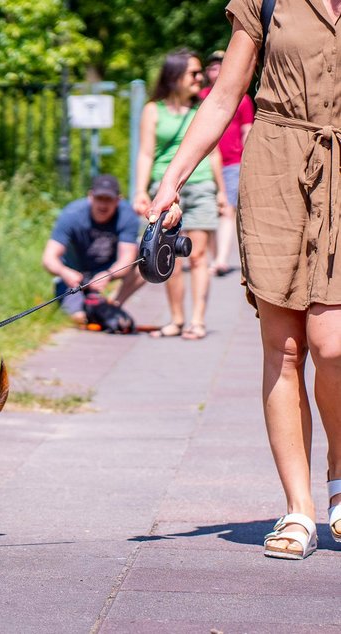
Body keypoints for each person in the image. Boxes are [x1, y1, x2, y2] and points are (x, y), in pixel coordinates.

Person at [148, 0, 341, 560]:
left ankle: (338, 471)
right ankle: (299, 508)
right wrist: (172, 179)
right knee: (284, 348)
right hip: (277, 166)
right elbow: (225, 97)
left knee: (333, 347)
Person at [133, 49, 231, 340]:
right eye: (194, 72)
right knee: (166, 254)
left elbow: (213, 154)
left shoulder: (202, 110)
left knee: (198, 255)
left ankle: (197, 320)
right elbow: (146, 153)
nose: (200, 78)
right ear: (174, 76)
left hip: (200, 186)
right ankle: (176, 318)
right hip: (164, 188)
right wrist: (140, 190)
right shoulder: (154, 110)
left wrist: (221, 192)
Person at [42, 174, 145, 325]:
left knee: (146, 258)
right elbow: (48, 258)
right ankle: (91, 311)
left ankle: (113, 306)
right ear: (90, 196)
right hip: (74, 277)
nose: (103, 204)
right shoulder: (71, 214)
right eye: (99, 198)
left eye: (108, 199)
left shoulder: (127, 216)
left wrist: (108, 275)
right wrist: (65, 272)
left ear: (118, 200)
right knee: (79, 318)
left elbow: (127, 258)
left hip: (107, 270)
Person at [199, 49, 255, 277]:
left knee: (227, 209)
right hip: (204, 162)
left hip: (232, 162)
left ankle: (221, 258)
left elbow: (247, 130)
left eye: (221, 66)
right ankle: (210, 255)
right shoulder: (201, 97)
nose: (216, 70)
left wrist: (246, 159)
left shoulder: (243, 98)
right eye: (212, 67)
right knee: (209, 210)